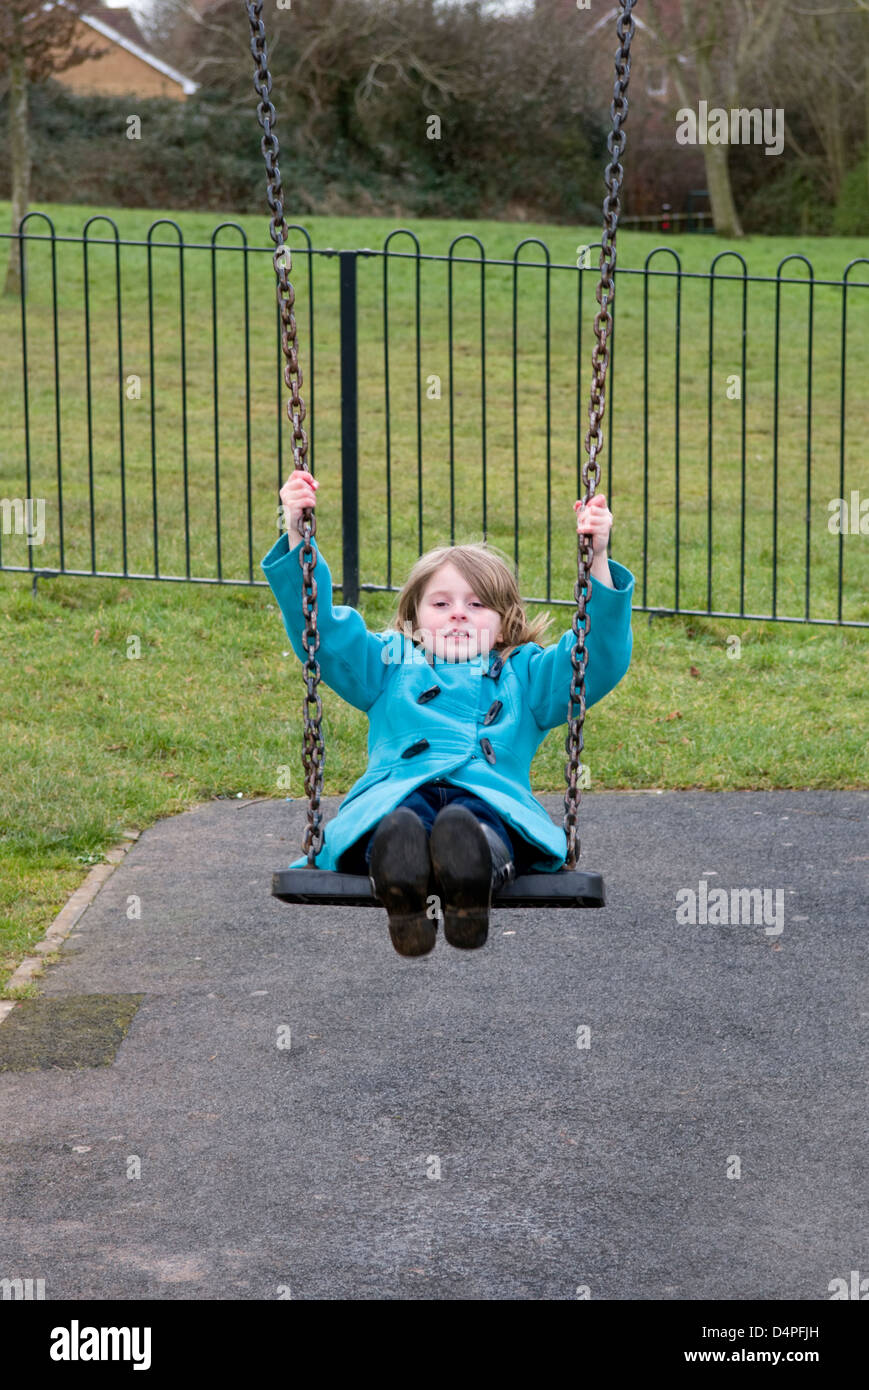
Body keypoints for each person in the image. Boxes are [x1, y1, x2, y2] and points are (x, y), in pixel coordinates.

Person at [262, 471, 634, 959]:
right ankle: (403, 891)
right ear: (414, 621)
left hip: (488, 801)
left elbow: (593, 660)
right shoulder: (388, 664)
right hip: (399, 795)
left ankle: (470, 887)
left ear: (505, 626)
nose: (459, 613)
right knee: (401, 825)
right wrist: (296, 531)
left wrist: (599, 559)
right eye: (441, 603)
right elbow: (324, 637)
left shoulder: (527, 675)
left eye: (477, 604)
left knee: (473, 824)